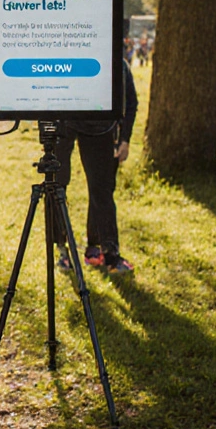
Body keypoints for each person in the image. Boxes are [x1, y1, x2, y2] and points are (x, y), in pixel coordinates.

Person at [52, 59, 138, 275]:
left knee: (102, 188)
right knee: (57, 184)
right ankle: (61, 250)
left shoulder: (117, 60)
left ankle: (104, 251)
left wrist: (124, 139)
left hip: (101, 126)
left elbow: (130, 102)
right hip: (64, 120)